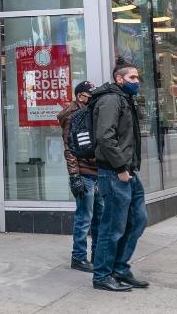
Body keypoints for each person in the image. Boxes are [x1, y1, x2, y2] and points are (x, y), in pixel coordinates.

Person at [91, 57, 149, 292]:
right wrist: (120, 168)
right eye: (132, 78)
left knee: (138, 219)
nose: (137, 81)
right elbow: (105, 137)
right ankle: (102, 275)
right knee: (113, 226)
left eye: (137, 77)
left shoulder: (125, 99)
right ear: (119, 79)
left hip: (127, 171)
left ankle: (120, 269)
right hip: (115, 172)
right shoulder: (110, 100)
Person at [58, 80, 103, 272]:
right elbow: (70, 148)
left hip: (97, 171)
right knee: (84, 218)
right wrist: (74, 175)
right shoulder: (73, 115)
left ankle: (97, 255)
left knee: (99, 217)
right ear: (80, 96)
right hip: (84, 173)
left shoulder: (89, 112)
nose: (92, 100)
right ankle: (78, 257)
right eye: (89, 96)